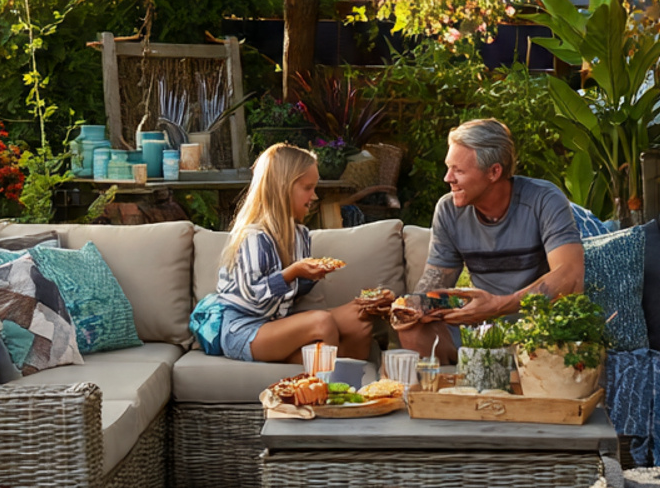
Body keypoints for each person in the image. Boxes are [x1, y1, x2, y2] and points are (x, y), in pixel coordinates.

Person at [394, 118, 584, 361]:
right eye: (448, 167)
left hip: (538, 329)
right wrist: (412, 305)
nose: (447, 178)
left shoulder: (544, 199)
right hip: (480, 330)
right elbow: (435, 281)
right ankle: (455, 387)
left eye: (458, 170)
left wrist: (498, 306)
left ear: (494, 171)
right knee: (411, 327)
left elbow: (571, 274)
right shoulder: (449, 210)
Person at [214, 143, 373, 363]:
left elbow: (291, 294)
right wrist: (292, 272)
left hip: (278, 323)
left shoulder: (301, 235)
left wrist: (309, 276)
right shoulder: (253, 237)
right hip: (244, 330)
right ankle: (329, 381)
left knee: (359, 315)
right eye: (308, 188)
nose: (314, 196)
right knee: (322, 322)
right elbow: (253, 296)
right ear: (283, 188)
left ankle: (347, 377)